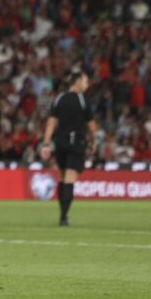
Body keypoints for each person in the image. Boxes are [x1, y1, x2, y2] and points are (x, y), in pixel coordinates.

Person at [40, 69, 97, 226]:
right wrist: (93, 141)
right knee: (70, 179)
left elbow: (51, 123)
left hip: (60, 143)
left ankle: (62, 214)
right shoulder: (83, 100)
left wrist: (46, 143)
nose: (87, 84)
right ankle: (63, 217)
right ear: (77, 82)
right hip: (76, 143)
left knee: (62, 177)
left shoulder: (59, 99)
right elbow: (91, 126)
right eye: (85, 81)